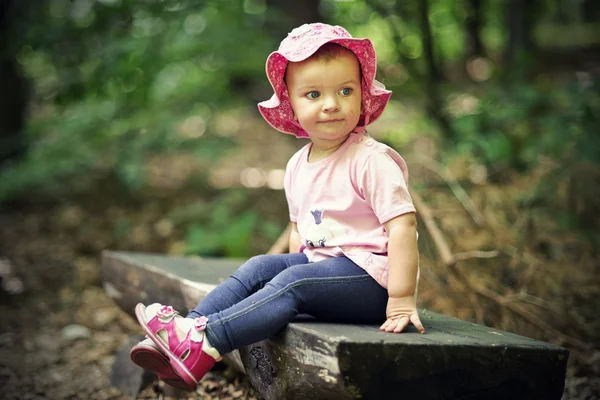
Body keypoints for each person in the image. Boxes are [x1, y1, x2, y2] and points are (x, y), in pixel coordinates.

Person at [129, 22, 424, 390]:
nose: (332, 104)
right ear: (293, 105)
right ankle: (187, 331)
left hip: (372, 283)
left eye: (345, 90)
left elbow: (403, 227)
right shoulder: (298, 164)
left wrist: (400, 298)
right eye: (314, 94)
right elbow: (299, 231)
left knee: (293, 280)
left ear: (362, 96)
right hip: (325, 274)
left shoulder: (370, 160)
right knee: (261, 267)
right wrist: (286, 268)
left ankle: (207, 343)